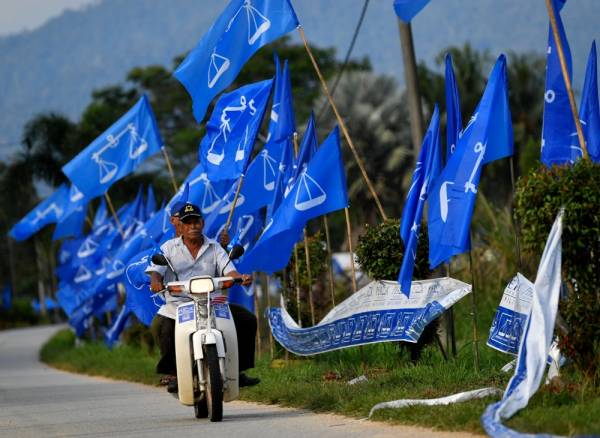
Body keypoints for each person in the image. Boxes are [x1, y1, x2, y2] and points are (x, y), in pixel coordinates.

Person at [147, 202, 259, 393]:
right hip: (179, 306)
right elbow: (156, 271)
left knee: (247, 320)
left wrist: (240, 278)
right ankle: (174, 374)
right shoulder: (168, 248)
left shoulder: (215, 247)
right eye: (188, 222)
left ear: (203, 223)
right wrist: (156, 281)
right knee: (161, 326)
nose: (193, 226)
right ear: (180, 226)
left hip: (212, 303)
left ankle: (237, 371)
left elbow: (229, 271)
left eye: (196, 221)